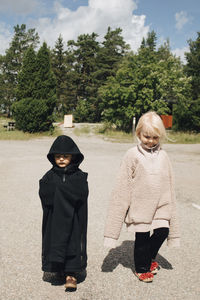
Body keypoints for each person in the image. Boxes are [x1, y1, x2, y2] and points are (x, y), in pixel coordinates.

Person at [104, 111, 180, 282]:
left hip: (161, 205)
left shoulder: (163, 156)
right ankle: (141, 267)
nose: (151, 141)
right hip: (140, 207)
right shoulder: (132, 155)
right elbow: (122, 187)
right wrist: (112, 231)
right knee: (142, 237)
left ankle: (148, 257)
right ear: (139, 133)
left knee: (162, 231)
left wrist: (170, 206)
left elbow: (170, 182)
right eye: (147, 136)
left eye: (155, 137)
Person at [39, 135, 88, 291]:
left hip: (74, 218)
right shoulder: (49, 176)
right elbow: (44, 193)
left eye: (65, 156)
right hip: (55, 220)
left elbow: (82, 193)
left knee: (73, 243)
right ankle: (59, 269)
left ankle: (71, 274)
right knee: (55, 241)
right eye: (58, 156)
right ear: (53, 157)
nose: (61, 159)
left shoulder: (79, 176)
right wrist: (59, 191)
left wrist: (62, 191)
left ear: (73, 157)